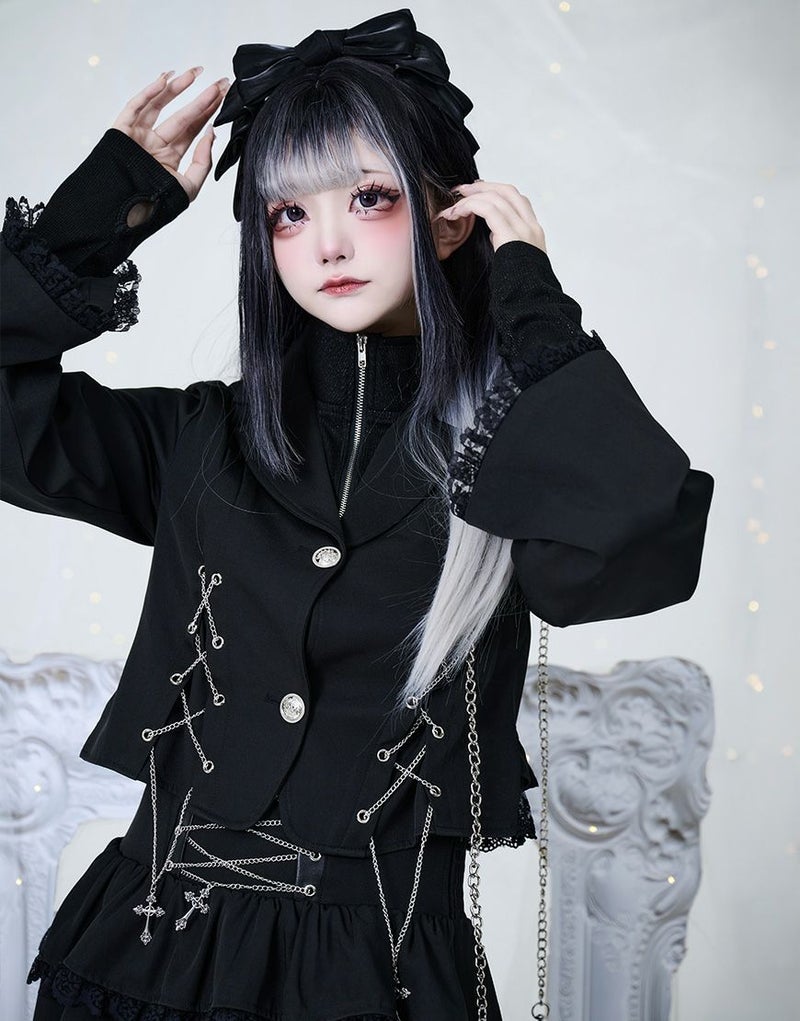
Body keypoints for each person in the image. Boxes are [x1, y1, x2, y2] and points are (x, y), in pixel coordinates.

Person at [0, 8, 714, 1021]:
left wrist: (531, 304)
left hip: (382, 972)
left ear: (449, 218)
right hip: (143, 955)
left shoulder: (505, 465)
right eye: (288, 212)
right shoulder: (202, 440)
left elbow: (640, 531)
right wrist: (104, 210)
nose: (326, 241)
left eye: (368, 198)